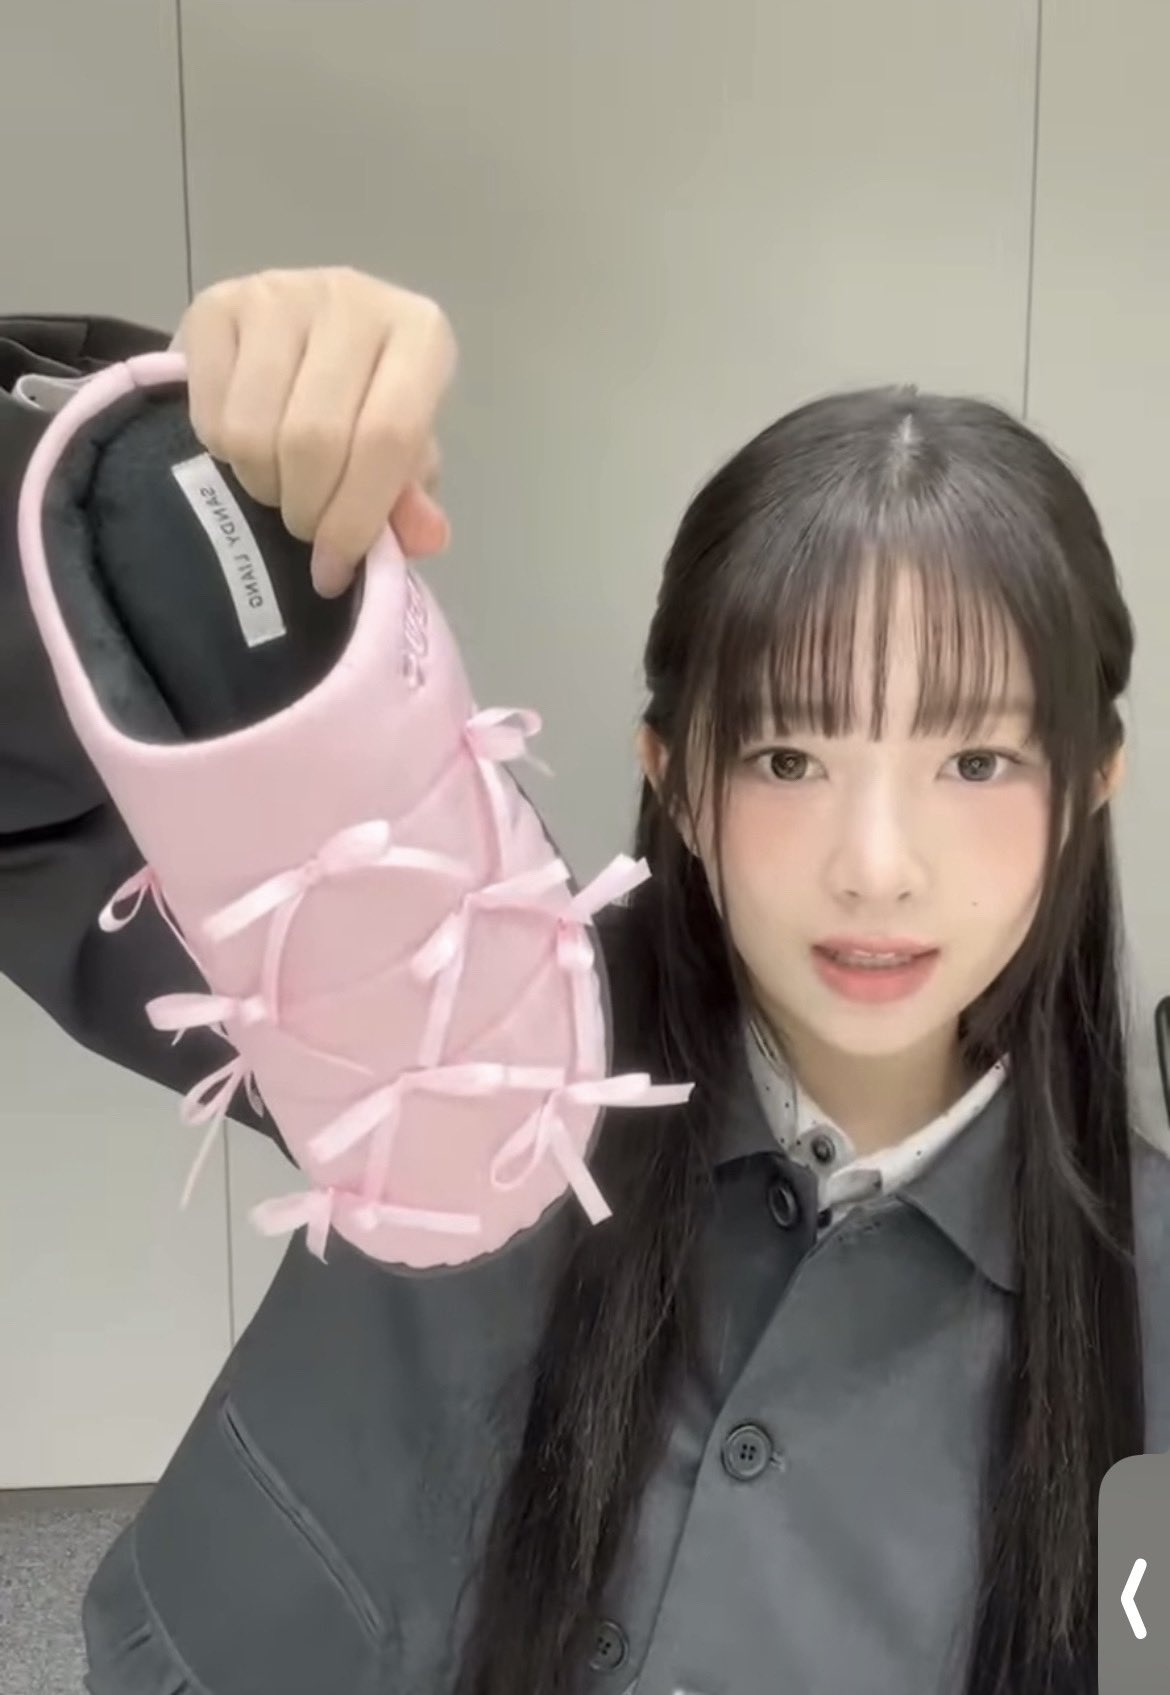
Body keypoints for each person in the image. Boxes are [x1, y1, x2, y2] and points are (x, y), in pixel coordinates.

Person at [1, 266, 1168, 1695]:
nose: (877, 869)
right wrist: (166, 446)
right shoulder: (468, 998)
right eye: (787, 757)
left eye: (974, 761)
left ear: (1089, 785)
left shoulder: (1151, 1295)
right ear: (672, 779)